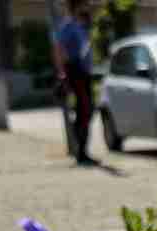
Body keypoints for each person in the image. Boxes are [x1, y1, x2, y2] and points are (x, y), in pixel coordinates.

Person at [52, 0, 98, 166]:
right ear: (77, 6)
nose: (87, 7)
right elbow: (58, 48)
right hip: (75, 71)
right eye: (84, 4)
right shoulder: (68, 26)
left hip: (84, 73)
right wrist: (62, 73)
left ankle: (82, 150)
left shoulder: (82, 26)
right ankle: (81, 152)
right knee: (84, 109)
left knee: (86, 111)